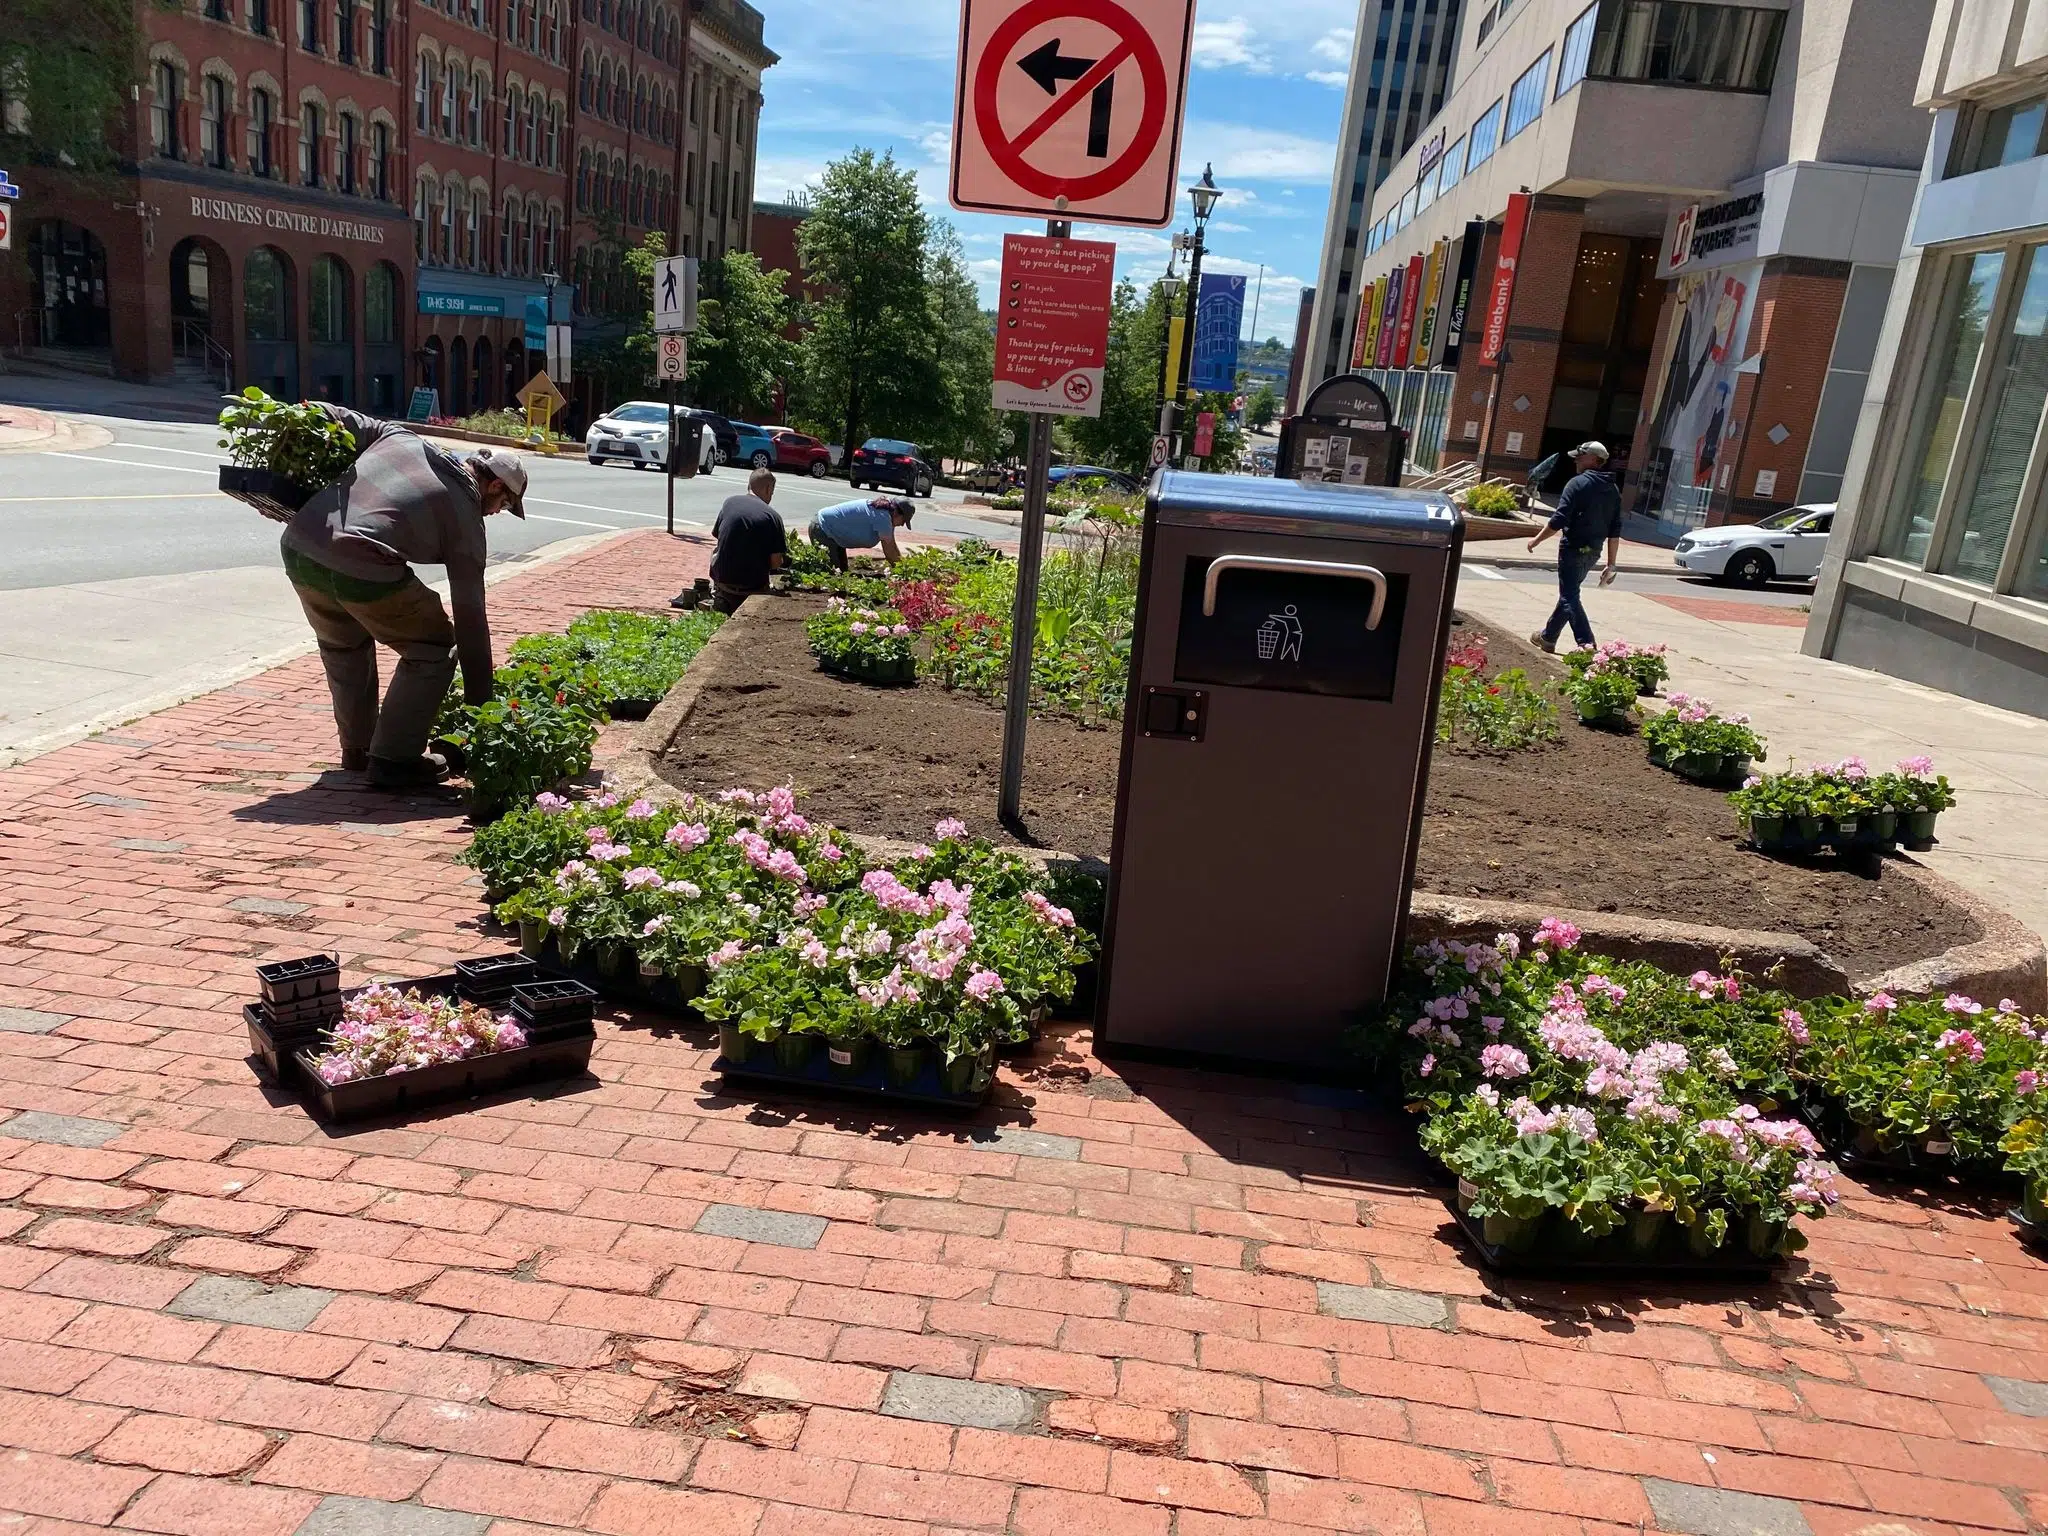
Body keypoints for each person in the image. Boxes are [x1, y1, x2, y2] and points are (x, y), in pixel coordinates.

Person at [280, 405, 525, 789]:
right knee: (434, 645)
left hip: (301, 547)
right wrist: (482, 709)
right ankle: (393, 760)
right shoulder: (465, 518)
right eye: (504, 505)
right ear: (495, 487)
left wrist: (299, 415)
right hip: (361, 562)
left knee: (344, 645)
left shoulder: (401, 437)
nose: (496, 512)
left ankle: (357, 750)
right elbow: (470, 618)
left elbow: (340, 416)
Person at [1525, 440, 1622, 654]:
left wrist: (1537, 540)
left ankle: (1587, 644)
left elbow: (1559, 518)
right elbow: (1615, 529)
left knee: (1569, 596)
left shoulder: (1577, 483)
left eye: (1581, 455)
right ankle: (1548, 637)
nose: (1576, 459)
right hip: (1593, 551)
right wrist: (1611, 563)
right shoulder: (1612, 489)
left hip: (1573, 548)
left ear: (1594, 459)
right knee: (1570, 594)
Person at [704, 466, 788, 613]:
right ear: (768, 489)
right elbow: (775, 563)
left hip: (723, 580)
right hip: (752, 587)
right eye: (772, 492)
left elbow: (718, 536)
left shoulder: (729, 503)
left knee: (717, 549)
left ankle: (719, 595)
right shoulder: (773, 517)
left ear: (749, 486)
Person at [809, 495, 913, 572]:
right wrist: (904, 571)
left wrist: (903, 566)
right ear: (896, 513)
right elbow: (890, 552)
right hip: (822, 530)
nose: (903, 525)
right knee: (831, 573)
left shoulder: (886, 512)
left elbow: (892, 545)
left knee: (842, 571)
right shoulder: (883, 518)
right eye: (904, 521)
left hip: (833, 533)